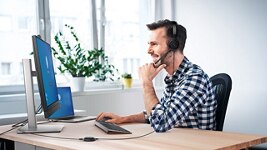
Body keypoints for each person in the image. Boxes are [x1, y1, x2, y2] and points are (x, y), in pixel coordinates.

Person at [96, 19, 217, 132]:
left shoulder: (195, 79)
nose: (148, 50)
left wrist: (146, 82)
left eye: (154, 44)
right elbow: (156, 115)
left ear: (173, 46)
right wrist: (123, 119)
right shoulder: (174, 78)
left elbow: (161, 123)